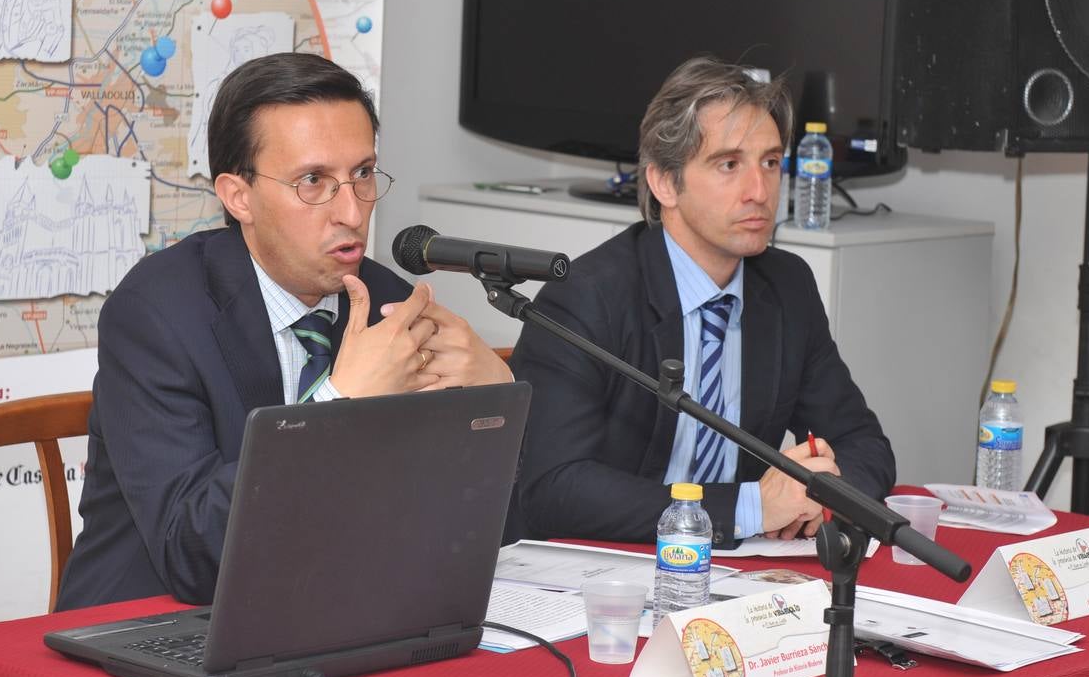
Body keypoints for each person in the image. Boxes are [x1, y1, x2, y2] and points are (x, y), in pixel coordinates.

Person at [57, 53, 511, 609]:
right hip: (149, 630)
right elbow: (191, 553)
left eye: (363, 173)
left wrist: (499, 410)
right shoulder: (156, 316)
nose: (351, 211)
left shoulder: (390, 306)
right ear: (238, 196)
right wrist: (341, 406)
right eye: (313, 181)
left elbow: (469, 527)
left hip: (323, 614)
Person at [508, 55, 894, 548]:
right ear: (664, 182)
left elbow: (865, 445)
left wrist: (823, 495)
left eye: (771, 162)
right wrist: (750, 508)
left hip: (742, 573)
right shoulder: (586, 297)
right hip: (607, 569)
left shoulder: (786, 286)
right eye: (729, 164)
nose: (759, 191)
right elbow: (554, 489)